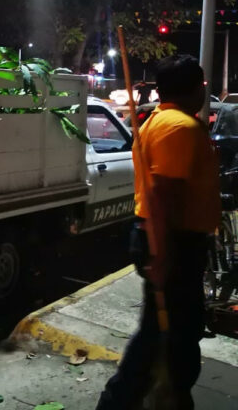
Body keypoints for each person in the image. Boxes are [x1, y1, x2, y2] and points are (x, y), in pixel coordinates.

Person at [95, 55, 221, 410]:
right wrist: (164, 253)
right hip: (172, 239)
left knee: (172, 329)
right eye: (202, 85)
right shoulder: (179, 128)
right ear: (194, 88)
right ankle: (123, 401)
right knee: (164, 333)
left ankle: (171, 396)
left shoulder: (158, 121)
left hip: (167, 238)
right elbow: (163, 194)